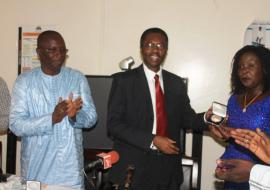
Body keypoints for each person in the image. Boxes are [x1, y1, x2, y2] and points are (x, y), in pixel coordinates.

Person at [107, 27, 207, 190]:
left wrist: (208, 119)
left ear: (166, 51)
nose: (155, 49)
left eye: (160, 46)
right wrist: (152, 140)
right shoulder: (123, 81)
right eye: (150, 45)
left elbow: (187, 118)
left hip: (168, 169)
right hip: (133, 169)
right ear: (141, 49)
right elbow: (114, 125)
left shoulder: (176, 83)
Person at [9, 30, 97, 190]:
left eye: (62, 50)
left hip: (70, 174)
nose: (58, 54)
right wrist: (51, 118)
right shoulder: (24, 82)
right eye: (52, 50)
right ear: (38, 53)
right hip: (36, 173)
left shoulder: (77, 78)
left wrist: (74, 117)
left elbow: (91, 118)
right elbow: (16, 125)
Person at [210, 45, 270, 190]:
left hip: (259, 176)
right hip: (230, 172)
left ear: (264, 68)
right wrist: (223, 134)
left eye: (251, 65)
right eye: (240, 67)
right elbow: (233, 135)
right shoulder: (233, 100)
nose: (244, 70)